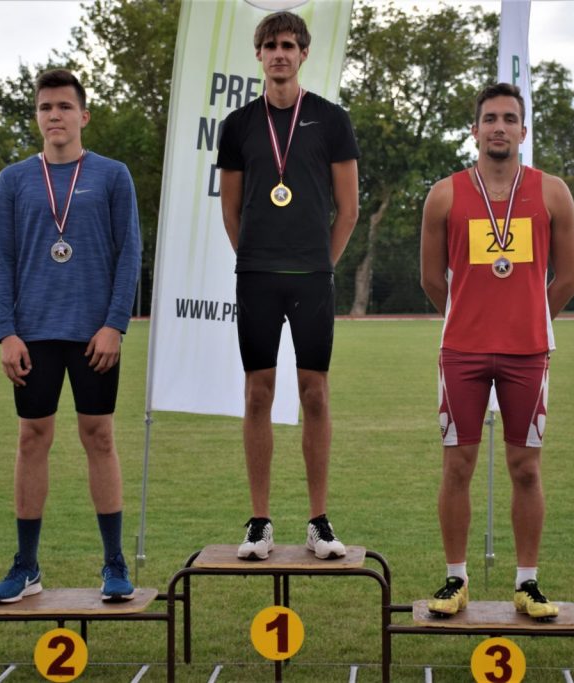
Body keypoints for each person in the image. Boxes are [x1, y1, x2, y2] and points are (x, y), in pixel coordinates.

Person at [419, 83, 574, 619]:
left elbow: (568, 279)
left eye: (510, 119)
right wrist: (470, 316)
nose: (499, 127)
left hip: (527, 354)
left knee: (526, 469)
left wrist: (527, 319)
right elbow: (430, 279)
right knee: (457, 467)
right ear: (475, 130)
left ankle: (527, 583)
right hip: (461, 352)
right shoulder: (444, 195)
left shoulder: (552, 192)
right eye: (490, 118)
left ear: (523, 131)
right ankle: (455, 579)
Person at [0, 69, 142, 602]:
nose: (54, 115)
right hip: (32, 335)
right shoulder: (13, 180)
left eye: (64, 107)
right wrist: (6, 332)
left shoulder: (113, 175)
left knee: (99, 436)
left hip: (95, 334)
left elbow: (129, 254)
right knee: (32, 438)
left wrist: (115, 324)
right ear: (37, 116)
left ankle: (114, 563)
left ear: (83, 116)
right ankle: (26, 567)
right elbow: (1, 259)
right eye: (45, 107)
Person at [217, 11, 359, 561]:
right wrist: (254, 259)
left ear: (304, 54)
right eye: (271, 45)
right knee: (258, 392)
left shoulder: (332, 120)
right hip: (257, 276)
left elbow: (348, 209)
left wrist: (322, 264)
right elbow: (231, 209)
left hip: (312, 279)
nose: (280, 53)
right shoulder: (238, 125)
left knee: (314, 393)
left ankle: (319, 521)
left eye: (289, 45)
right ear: (259, 54)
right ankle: (259, 523)